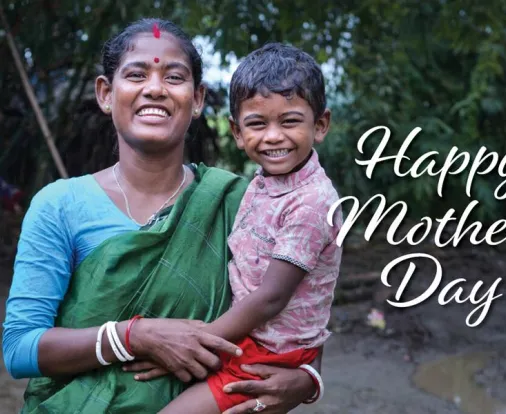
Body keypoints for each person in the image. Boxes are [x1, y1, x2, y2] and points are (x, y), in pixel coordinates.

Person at [2, 19, 322, 414]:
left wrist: (308, 379)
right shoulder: (60, 205)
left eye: (174, 77)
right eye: (137, 74)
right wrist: (133, 337)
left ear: (198, 98)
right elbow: (19, 348)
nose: (155, 88)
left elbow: (303, 305)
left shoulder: (244, 202)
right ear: (106, 93)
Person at [149, 43, 343, 413]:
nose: (273, 136)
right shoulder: (262, 182)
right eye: (257, 124)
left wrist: (199, 341)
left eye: (289, 121)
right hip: (251, 335)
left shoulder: (312, 201)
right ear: (237, 133)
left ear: (320, 125)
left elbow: (271, 298)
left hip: (267, 353)